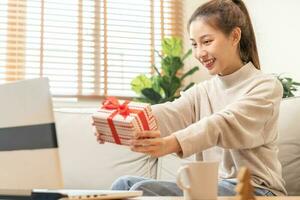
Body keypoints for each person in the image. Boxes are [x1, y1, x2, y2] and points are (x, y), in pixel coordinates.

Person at [96, 0, 287, 196]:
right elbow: (171, 112)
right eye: (194, 44)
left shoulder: (266, 86)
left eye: (206, 42)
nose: (199, 53)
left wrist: (171, 143)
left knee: (141, 190)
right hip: (213, 187)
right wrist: (120, 120)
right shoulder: (203, 91)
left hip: (257, 190)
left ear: (235, 36)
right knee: (124, 184)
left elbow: (223, 123)